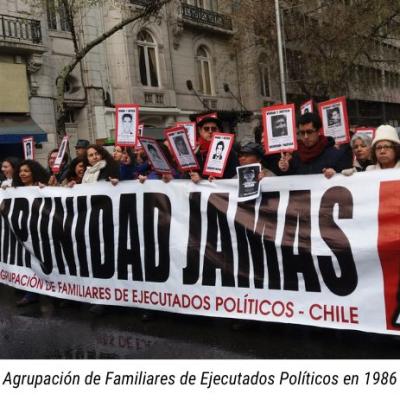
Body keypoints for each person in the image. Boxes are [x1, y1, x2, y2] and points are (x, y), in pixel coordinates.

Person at [12, 160, 50, 306]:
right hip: (24, 234)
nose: (22, 174)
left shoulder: (43, 187)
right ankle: (31, 293)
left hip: (42, 233)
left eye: (26, 171)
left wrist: (46, 189)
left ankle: (57, 294)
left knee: (46, 263)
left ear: (34, 172)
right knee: (29, 263)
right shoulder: (15, 190)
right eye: (21, 171)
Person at [278, 112, 352, 175]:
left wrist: (336, 175)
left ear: (318, 131)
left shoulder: (336, 154)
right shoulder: (295, 156)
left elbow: (346, 181)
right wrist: (286, 168)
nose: (306, 136)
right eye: (302, 133)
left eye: (309, 132)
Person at [190, 116, 238, 183]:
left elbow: (235, 173)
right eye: (206, 129)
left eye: (214, 129)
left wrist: (219, 179)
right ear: (200, 131)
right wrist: (197, 177)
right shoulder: (194, 153)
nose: (210, 131)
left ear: (218, 131)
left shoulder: (229, 152)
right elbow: (187, 175)